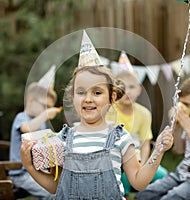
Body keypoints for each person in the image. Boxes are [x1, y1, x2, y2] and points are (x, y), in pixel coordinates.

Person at [20, 65, 174, 200]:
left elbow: (138, 182)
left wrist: (158, 151)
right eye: (81, 92)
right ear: (73, 97)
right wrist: (30, 167)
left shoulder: (121, 137)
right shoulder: (62, 139)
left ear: (112, 98)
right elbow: (56, 187)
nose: (88, 99)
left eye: (97, 93)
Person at [106, 70, 168, 199]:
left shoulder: (144, 113)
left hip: (138, 159)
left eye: (132, 87)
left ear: (139, 89)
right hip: (118, 161)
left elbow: (145, 143)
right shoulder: (110, 112)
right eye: (122, 87)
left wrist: (143, 164)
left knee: (163, 175)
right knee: (123, 177)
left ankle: (147, 196)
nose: (127, 91)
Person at [9, 82, 61, 200]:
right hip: (21, 174)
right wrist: (45, 115)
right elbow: (27, 128)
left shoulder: (39, 121)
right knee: (54, 195)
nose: (46, 110)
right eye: (44, 106)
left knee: (63, 187)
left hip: (39, 169)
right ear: (31, 101)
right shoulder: (22, 117)